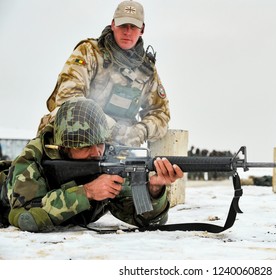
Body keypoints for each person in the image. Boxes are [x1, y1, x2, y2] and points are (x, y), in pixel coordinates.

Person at [2, 97, 183, 232]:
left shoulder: (108, 160)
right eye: (86, 146)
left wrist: (153, 191)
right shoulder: (31, 160)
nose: (96, 152)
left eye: (100, 143)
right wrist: (87, 192)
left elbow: (149, 222)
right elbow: (26, 218)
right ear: (65, 147)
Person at [37, 1, 170, 149]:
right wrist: (114, 129)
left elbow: (160, 113)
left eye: (133, 26)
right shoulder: (89, 52)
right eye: (122, 25)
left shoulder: (147, 71)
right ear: (113, 25)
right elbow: (69, 100)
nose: (127, 32)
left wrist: (141, 131)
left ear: (142, 29)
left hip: (117, 151)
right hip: (74, 143)